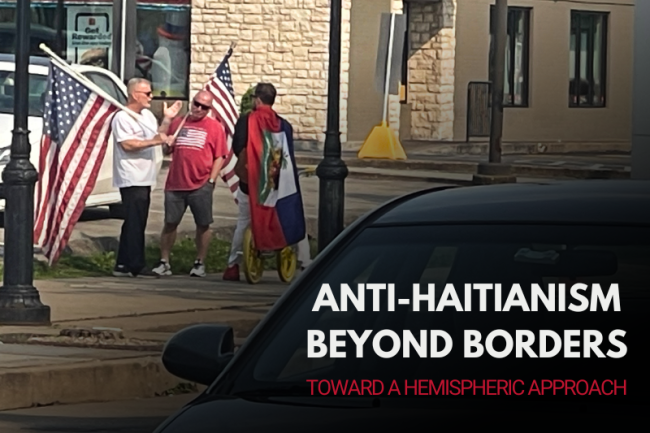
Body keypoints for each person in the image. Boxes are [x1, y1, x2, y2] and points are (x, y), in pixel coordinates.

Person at [222, 83, 312, 281]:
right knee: (293, 216)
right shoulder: (284, 125)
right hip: (279, 184)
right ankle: (306, 261)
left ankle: (232, 265)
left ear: (257, 99)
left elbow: (238, 147)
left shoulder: (246, 121)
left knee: (243, 222)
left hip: (252, 182)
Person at [152, 90, 228, 277]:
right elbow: (164, 144)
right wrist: (167, 125)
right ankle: (164, 262)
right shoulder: (180, 122)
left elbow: (220, 156)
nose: (198, 109)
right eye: (196, 103)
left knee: (203, 224)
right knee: (170, 223)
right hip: (175, 183)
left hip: (201, 183)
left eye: (204, 107)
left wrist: (211, 180)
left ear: (209, 109)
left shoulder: (215, 127)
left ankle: (200, 262)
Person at [112, 78, 181, 277]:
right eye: (147, 93)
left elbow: (157, 135)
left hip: (146, 175)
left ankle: (123, 263)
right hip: (131, 175)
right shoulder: (122, 117)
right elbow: (127, 145)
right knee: (135, 221)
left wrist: (167, 120)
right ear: (135, 94)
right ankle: (136, 264)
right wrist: (153, 141)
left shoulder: (148, 115)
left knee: (136, 220)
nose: (151, 97)